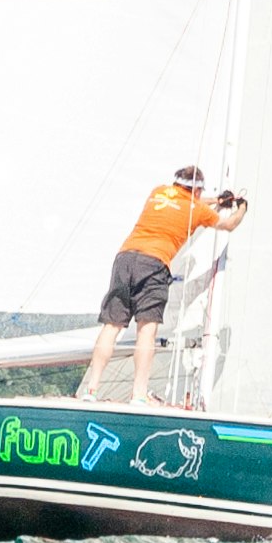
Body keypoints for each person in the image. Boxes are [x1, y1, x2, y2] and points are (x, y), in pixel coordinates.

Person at [79, 165, 249, 406]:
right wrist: (241, 207)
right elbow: (229, 224)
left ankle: (91, 389)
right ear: (197, 192)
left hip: (125, 258)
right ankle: (138, 395)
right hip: (154, 262)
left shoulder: (158, 192)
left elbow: (187, 201)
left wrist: (217, 200)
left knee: (111, 326)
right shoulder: (199, 210)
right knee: (146, 331)